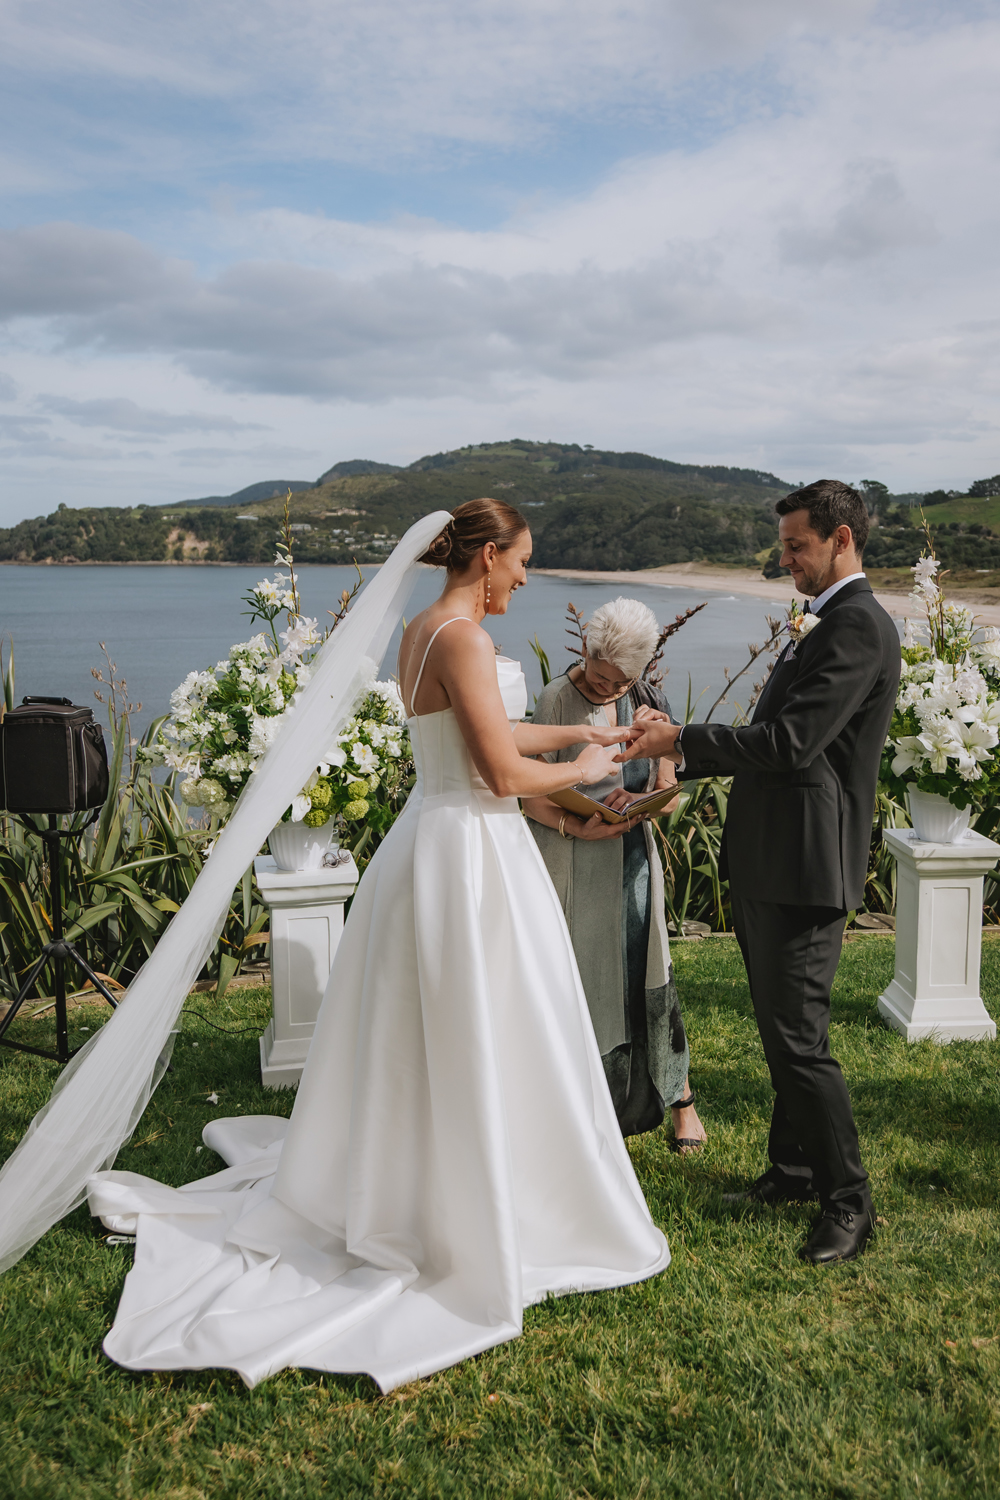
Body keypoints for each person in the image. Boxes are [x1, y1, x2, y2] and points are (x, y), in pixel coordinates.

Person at [85, 498, 669, 1392]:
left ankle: (431, 1176)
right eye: (520, 561)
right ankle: (481, 1204)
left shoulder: (426, 627)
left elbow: (482, 734)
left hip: (431, 844)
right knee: (486, 1020)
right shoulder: (467, 638)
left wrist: (583, 730)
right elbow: (503, 774)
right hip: (471, 852)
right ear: (485, 557)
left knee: (442, 1029)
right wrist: (590, 768)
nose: (524, 576)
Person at [617, 480, 899, 1265]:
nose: (785, 560)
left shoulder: (856, 628)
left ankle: (850, 1200)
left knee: (800, 1042)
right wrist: (673, 747)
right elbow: (769, 738)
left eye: (796, 546)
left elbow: (788, 745)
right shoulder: (827, 623)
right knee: (783, 1035)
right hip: (780, 859)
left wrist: (679, 739)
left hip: (807, 867)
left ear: (841, 540)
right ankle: (795, 1169)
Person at [523, 598, 706, 1149]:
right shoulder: (557, 698)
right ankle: (585, 1111)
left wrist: (659, 760)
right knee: (581, 985)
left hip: (632, 860)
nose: (606, 690)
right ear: (585, 650)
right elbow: (531, 791)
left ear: (640, 671)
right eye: (599, 678)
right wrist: (574, 828)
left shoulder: (649, 701)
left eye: (617, 682)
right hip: (571, 857)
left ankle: (682, 1103)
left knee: (650, 981)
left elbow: (668, 799)